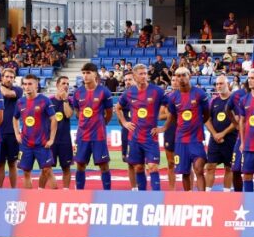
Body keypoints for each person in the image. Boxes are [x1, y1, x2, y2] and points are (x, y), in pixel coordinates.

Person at [117, 64, 165, 192]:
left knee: (153, 167)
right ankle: (142, 196)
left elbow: (171, 109)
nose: (144, 76)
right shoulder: (129, 93)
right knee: (138, 167)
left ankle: (156, 197)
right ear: (134, 76)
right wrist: (124, 123)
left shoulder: (157, 91)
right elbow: (117, 108)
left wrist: (164, 127)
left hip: (151, 137)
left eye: (145, 73)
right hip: (135, 138)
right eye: (141, 74)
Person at [164, 68, 209, 192]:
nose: (180, 78)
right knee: (184, 172)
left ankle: (202, 198)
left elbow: (207, 114)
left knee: (199, 169)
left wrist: (198, 124)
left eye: (183, 75)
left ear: (190, 76)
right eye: (178, 76)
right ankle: (188, 197)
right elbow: (172, 116)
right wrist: (165, 128)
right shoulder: (172, 97)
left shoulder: (200, 94)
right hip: (181, 140)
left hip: (196, 139)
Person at [71, 63, 114, 190]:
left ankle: (107, 194)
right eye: (83, 73)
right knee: (80, 164)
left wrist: (102, 123)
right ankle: (79, 193)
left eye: (88, 72)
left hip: (98, 135)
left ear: (95, 74)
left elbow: (109, 113)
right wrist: (85, 123)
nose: (85, 75)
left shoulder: (104, 92)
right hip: (82, 135)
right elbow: (77, 112)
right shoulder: (78, 93)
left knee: (104, 165)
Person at [12, 74, 56, 189]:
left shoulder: (45, 100)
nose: (27, 87)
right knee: (26, 173)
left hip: (42, 143)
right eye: (25, 84)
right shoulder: (20, 102)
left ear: (36, 85)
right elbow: (15, 118)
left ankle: (52, 196)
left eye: (30, 84)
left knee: (47, 170)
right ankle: (30, 199)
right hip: (26, 144)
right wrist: (17, 133)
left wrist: (51, 139)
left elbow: (54, 119)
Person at [204, 75, 238, 191]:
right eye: (217, 84)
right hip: (215, 139)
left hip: (231, 139)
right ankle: (207, 194)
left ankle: (226, 194)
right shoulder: (213, 101)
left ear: (227, 85)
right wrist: (215, 134)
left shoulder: (234, 100)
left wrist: (223, 133)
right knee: (210, 166)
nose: (219, 86)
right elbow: (207, 120)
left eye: (221, 83)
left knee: (229, 168)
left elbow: (237, 121)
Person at [0, 68, 24, 189]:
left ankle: (13, 190)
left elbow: (7, 94)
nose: (9, 79)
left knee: (12, 163)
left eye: (11, 77)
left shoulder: (18, 89)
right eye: (6, 76)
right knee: (0, 164)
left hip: (13, 132)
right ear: (2, 77)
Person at [48, 76, 74, 189]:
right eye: (63, 83)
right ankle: (51, 190)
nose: (66, 86)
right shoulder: (49, 101)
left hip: (65, 139)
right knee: (47, 167)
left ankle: (66, 191)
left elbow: (68, 114)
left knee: (66, 167)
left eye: (68, 84)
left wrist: (65, 100)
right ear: (57, 85)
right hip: (51, 139)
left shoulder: (70, 100)